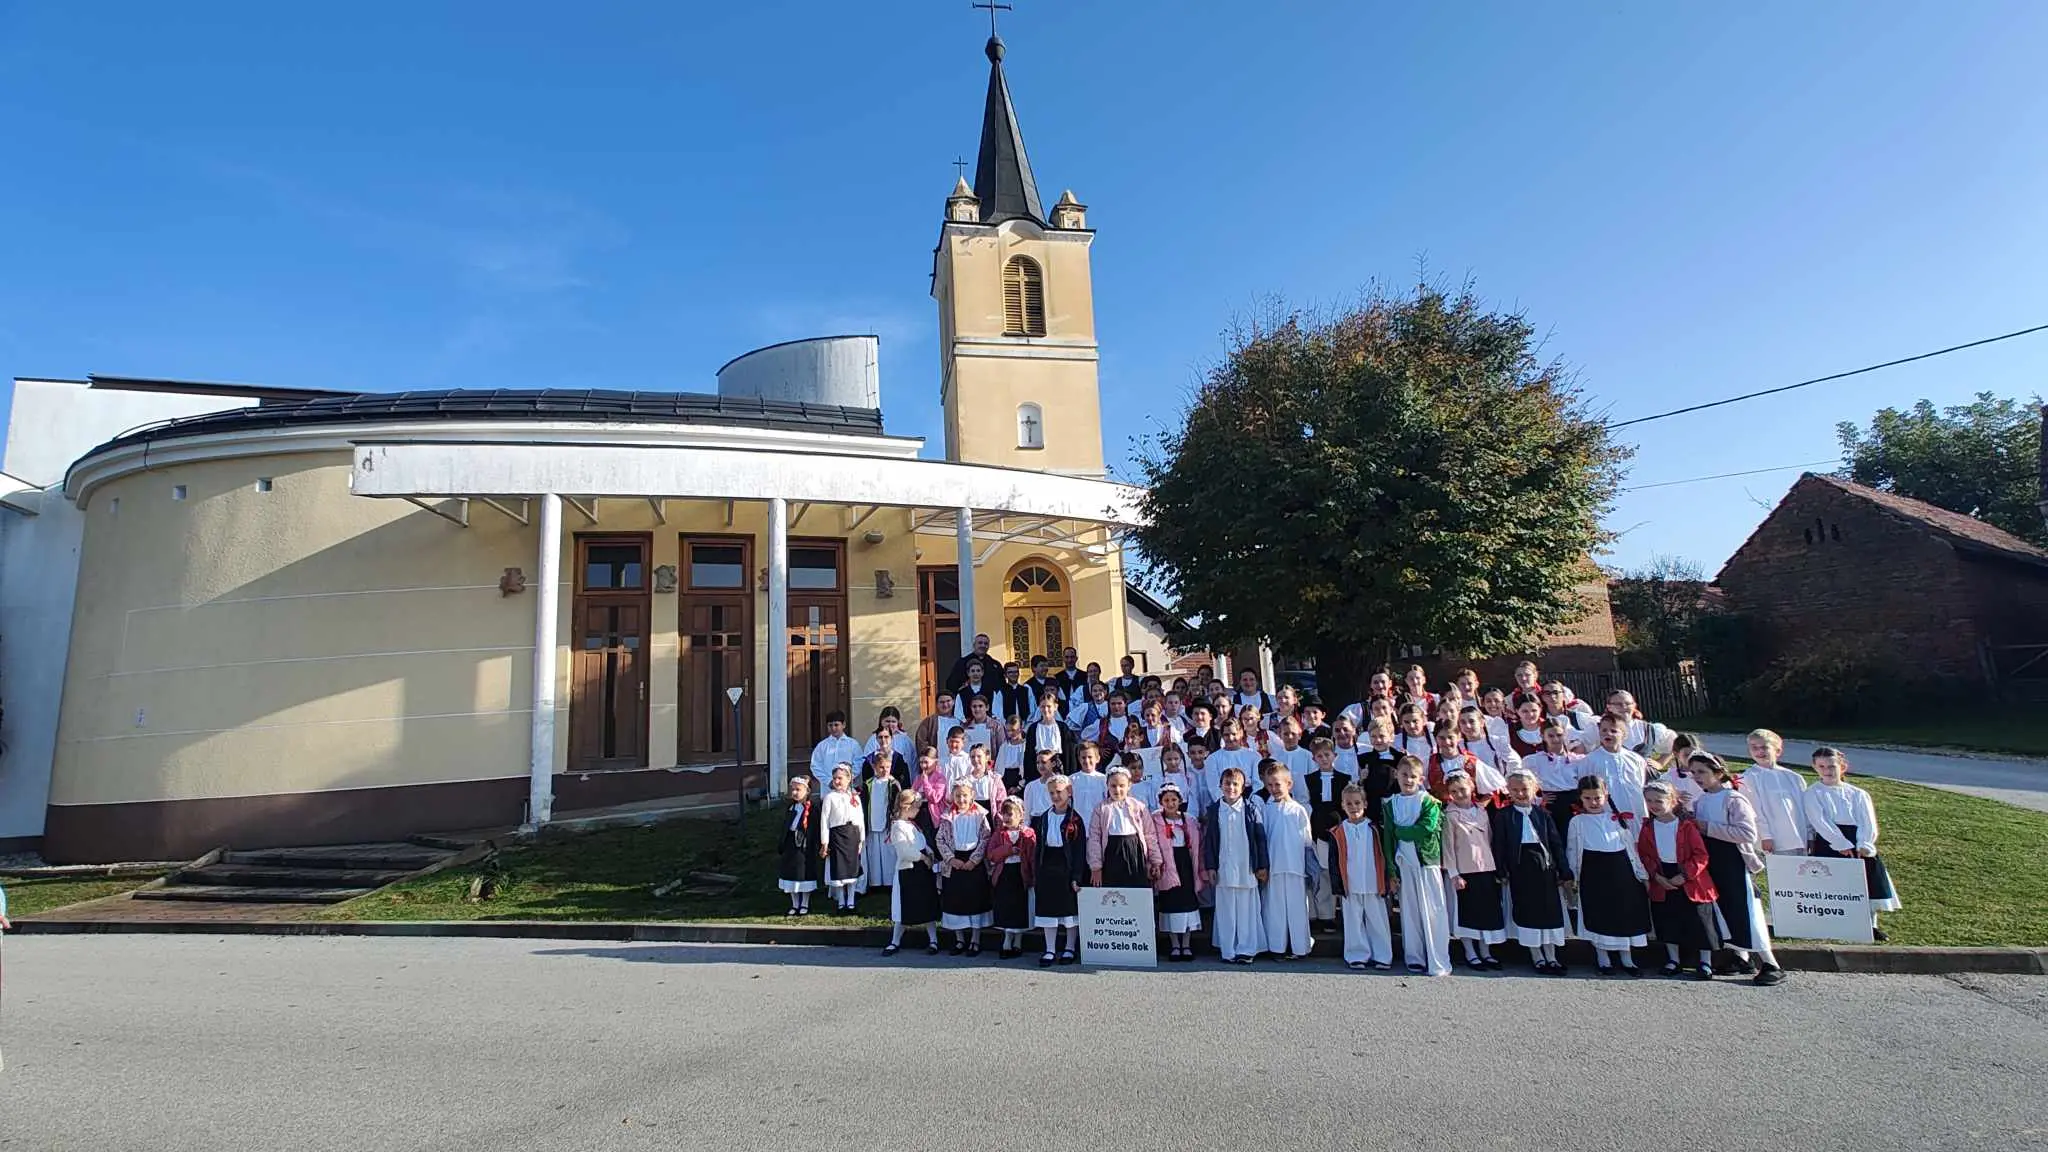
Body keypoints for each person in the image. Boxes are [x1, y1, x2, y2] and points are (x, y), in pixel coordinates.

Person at [1687, 751, 1787, 986]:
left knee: (1745, 909)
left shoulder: (1733, 799)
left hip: (1733, 861)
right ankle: (1740, 956)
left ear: (1718, 773)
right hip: (1713, 861)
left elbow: (1747, 833)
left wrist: (1707, 827)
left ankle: (1770, 962)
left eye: (1702, 772)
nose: (1697, 777)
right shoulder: (1701, 800)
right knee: (1725, 909)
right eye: (1693, 773)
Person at [1804, 746, 1901, 939]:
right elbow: (1819, 821)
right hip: (1831, 843)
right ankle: (1836, 922)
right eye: (1822, 766)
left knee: (1866, 883)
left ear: (1843, 766)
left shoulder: (1858, 794)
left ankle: (1870, 925)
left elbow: (1867, 820)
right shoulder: (1813, 793)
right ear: (1815, 768)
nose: (1827, 770)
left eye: (1832, 766)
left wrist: (1864, 844)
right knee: (1834, 884)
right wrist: (1841, 844)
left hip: (1858, 842)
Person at [1566, 775, 1650, 975]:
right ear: (1581, 798)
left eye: (1597, 797)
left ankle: (1627, 959)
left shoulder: (1618, 818)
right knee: (1599, 915)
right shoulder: (1578, 821)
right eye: (1587, 798)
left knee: (1624, 914)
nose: (1593, 803)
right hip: (1594, 871)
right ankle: (1603, 958)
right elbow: (1572, 849)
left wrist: (1641, 873)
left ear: (1606, 796)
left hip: (1621, 871)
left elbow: (1631, 849)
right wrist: (1573, 877)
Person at [1492, 769, 1571, 974]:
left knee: (1550, 911)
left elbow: (1555, 843)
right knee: (1528, 911)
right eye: (1515, 790)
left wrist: (1564, 870)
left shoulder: (1542, 815)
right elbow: (1499, 845)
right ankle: (1537, 957)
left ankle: (1552, 956)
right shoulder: (1504, 816)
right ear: (1508, 791)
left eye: (1524, 789)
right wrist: (1501, 870)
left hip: (1545, 867)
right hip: (1521, 867)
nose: (1520, 793)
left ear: (1534, 789)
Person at [1638, 779, 1716, 979]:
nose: (1653, 805)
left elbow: (1700, 855)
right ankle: (1673, 960)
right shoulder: (1647, 827)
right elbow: (1644, 855)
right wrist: (1656, 875)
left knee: (1699, 922)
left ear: (1672, 801)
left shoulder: (1686, 826)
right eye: (1649, 801)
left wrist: (1685, 875)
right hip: (1663, 877)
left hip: (1689, 878)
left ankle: (1705, 962)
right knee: (1667, 920)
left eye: (1658, 801)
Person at [1384, 756, 1451, 976]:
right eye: (1404, 775)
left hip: (1426, 861)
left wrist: (1401, 832)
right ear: (1397, 775)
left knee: (1433, 910)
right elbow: (1388, 838)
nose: (1408, 780)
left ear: (1420, 779)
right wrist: (1391, 870)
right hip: (1404, 861)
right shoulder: (1391, 803)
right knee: (1410, 910)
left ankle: (1438, 959)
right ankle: (1415, 957)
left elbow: (1427, 827)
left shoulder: (1429, 802)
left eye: (1413, 776)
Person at [1199, 765, 1268, 964]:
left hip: (1246, 866)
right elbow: (1210, 841)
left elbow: (1260, 839)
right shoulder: (1214, 810)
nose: (1231, 788)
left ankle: (1246, 949)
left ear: (1243, 786)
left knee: (1246, 910)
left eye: (1235, 784)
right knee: (1226, 910)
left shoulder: (1251, 809)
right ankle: (1228, 949)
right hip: (1224, 867)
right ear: (1220, 786)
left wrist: (1262, 865)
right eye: (1227, 784)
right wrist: (1211, 867)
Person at [1442, 771, 1506, 970]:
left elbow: (1489, 838)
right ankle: (1470, 952)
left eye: (1462, 789)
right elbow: (1448, 846)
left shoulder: (1481, 811)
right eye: (1454, 791)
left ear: (1471, 787)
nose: (1460, 794)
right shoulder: (1450, 816)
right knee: (1467, 912)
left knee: (1486, 912)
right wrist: (1454, 873)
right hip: (1464, 869)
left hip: (1485, 867)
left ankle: (1486, 951)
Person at [1329, 783, 1393, 970]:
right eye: (1349, 804)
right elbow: (1334, 861)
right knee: (1353, 920)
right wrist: (1337, 884)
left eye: (1357, 803)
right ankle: (1356, 954)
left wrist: (1388, 879)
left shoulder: (1375, 829)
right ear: (1343, 806)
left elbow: (1384, 854)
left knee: (1378, 920)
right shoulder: (1338, 832)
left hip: (1373, 881)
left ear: (1364, 804)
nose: (1353, 807)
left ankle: (1382, 955)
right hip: (1350, 883)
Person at [1259, 764, 1316, 961]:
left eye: (1278, 784)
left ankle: (1300, 947)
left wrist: (1309, 869)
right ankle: (1276, 947)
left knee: (1297, 908)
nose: (1274, 788)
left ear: (1289, 784)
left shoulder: (1299, 810)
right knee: (1274, 908)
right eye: (1270, 785)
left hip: (1295, 867)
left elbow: (1307, 841)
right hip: (1274, 867)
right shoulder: (1265, 809)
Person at [1031, 776, 1087, 966]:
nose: (1055, 796)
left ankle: (1070, 947)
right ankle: (1050, 949)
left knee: (1068, 912)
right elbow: (1038, 846)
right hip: (1047, 866)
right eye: (1052, 792)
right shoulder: (1044, 817)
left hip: (1066, 867)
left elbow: (1079, 850)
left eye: (1059, 792)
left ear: (1069, 792)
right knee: (1048, 910)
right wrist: (1037, 871)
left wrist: (1076, 876)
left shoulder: (1076, 819)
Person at [935, 781, 994, 955]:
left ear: (972, 796)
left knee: (975, 900)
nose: (961, 799)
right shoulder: (947, 816)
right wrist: (951, 859)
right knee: (956, 901)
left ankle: (975, 939)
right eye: (958, 795)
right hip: (955, 862)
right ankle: (959, 939)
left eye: (965, 795)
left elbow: (986, 838)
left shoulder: (980, 815)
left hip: (973, 862)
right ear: (953, 796)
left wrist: (974, 859)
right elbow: (940, 840)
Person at [882, 792, 942, 957]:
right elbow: (905, 851)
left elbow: (922, 843)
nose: (918, 811)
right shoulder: (897, 826)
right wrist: (923, 857)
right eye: (915, 807)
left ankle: (933, 940)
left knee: (927, 905)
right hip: (908, 870)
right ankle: (895, 941)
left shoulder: (913, 825)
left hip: (922, 870)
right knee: (903, 908)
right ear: (905, 807)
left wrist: (930, 854)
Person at [1299, 737, 1349, 928]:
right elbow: (1306, 804)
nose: (1324, 759)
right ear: (1314, 759)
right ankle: (1325, 914)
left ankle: (1343, 911)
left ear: (1334, 756)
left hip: (1339, 829)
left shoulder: (1344, 778)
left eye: (1327, 755)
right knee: (1323, 871)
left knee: (1340, 869)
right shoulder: (1309, 779)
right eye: (1319, 756)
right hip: (1319, 828)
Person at [1152, 781, 1204, 961]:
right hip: (1168, 864)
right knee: (1171, 903)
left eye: (1174, 799)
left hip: (1185, 864)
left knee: (1187, 902)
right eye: (1166, 800)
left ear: (1180, 801)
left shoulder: (1188, 820)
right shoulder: (1157, 820)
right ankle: (1174, 944)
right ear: (1161, 802)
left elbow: (1196, 846)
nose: (1170, 803)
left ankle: (1187, 944)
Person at [984, 797, 1037, 959]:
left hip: (1020, 875)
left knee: (1020, 908)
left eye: (1010, 814)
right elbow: (991, 854)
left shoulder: (1028, 833)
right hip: (1005, 874)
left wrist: (1033, 877)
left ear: (1020, 815)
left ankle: (1018, 941)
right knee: (1006, 907)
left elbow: (1032, 857)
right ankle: (1007, 939)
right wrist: (1007, 850)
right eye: (1004, 814)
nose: (1006, 818)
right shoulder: (999, 834)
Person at [1742, 729, 1808, 858]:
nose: (1760, 751)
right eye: (1754, 748)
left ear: (1777, 751)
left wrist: (1810, 835)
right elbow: (1754, 810)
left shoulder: (1794, 777)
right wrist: (1765, 836)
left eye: (1764, 747)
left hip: (1800, 836)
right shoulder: (1748, 778)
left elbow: (1805, 808)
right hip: (1774, 839)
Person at [1583, 713, 1651, 822]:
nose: (1608, 734)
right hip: (1608, 814)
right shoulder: (1590, 760)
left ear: (1624, 734)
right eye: (1604, 730)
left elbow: (1641, 784)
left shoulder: (1636, 759)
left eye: (1613, 731)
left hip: (1636, 811)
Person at [1526, 717, 1587, 833]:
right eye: (1551, 736)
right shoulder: (1533, 760)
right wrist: (1538, 799)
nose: (1555, 739)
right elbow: (1526, 784)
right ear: (1542, 736)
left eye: (1559, 735)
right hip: (1551, 804)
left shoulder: (1578, 760)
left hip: (1574, 804)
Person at [777, 775, 821, 916]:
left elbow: (815, 829)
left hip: (804, 846)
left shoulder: (812, 809)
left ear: (807, 791)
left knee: (803, 874)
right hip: (791, 845)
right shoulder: (791, 808)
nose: (795, 792)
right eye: (793, 789)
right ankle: (795, 903)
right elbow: (786, 826)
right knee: (790, 874)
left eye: (798, 789)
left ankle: (805, 903)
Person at [860, 751, 903, 895]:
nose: (884, 770)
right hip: (872, 822)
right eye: (881, 767)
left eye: (887, 767)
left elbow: (897, 803)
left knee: (888, 853)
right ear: (874, 767)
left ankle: (889, 882)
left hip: (887, 823)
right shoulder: (868, 784)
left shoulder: (893, 784)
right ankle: (875, 882)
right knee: (874, 853)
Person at [1354, 718, 1402, 816]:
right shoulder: (1364, 759)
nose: (1378, 740)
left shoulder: (1400, 758)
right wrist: (1362, 779)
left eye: (1382, 736)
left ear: (1391, 736)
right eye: (1373, 736)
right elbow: (1359, 786)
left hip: (1396, 806)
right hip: (1373, 808)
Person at [809, 711, 861, 794]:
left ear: (843, 725)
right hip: (828, 789)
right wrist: (828, 781)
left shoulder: (853, 744)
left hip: (847, 788)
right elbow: (815, 765)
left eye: (836, 725)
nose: (833, 728)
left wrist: (847, 779)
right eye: (830, 725)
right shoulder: (822, 746)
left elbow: (858, 763)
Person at [1025, 691, 1074, 775]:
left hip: (1059, 769)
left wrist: (1070, 775)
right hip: (1038, 769)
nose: (1046, 709)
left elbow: (1069, 753)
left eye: (1049, 706)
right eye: (1043, 706)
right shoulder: (1033, 728)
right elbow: (1028, 755)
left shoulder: (1063, 728)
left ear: (1055, 707)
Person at [862, 707, 916, 781]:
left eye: (893, 721)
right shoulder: (873, 739)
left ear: (898, 723)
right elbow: (868, 762)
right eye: (887, 721)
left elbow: (912, 764)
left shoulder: (905, 740)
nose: (890, 724)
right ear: (881, 721)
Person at [1069, 741, 1110, 835]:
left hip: (1098, 827)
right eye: (1083, 757)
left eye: (1090, 757)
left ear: (1098, 758)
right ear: (1079, 759)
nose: (1086, 761)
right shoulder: (1071, 779)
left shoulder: (1104, 779)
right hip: (1078, 828)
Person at [1021, 747, 1064, 819]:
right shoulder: (1031, 786)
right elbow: (1027, 812)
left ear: (1053, 763)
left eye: (1044, 762)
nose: (1040, 766)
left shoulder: (1061, 784)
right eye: (1038, 763)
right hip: (1037, 822)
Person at [995, 715, 1028, 792]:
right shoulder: (1004, 746)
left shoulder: (1026, 746)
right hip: (1005, 780)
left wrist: (1019, 787)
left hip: (1020, 780)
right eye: (1008, 730)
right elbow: (998, 768)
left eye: (1013, 730)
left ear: (1021, 728)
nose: (1010, 733)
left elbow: (1027, 769)